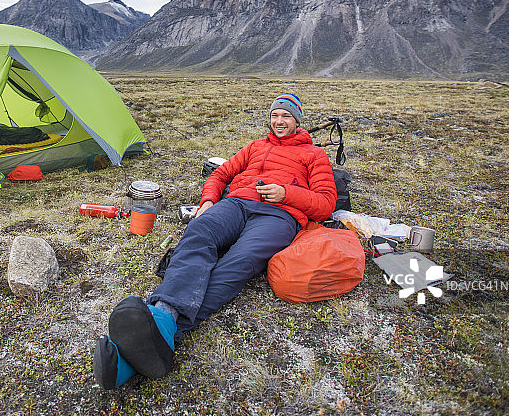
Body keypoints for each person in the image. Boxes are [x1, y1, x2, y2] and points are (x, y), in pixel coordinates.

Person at [93, 93, 337, 389]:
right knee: (198, 233)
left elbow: (325, 203)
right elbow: (221, 174)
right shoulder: (255, 147)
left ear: (298, 121)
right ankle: (162, 327)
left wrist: (288, 194)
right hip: (235, 205)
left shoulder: (314, 155)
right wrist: (208, 199)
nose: (279, 121)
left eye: (286, 116)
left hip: (278, 216)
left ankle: (152, 334)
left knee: (240, 260)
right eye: (275, 115)